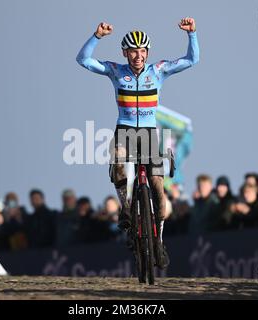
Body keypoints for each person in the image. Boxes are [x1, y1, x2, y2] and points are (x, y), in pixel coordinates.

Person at [76, 17, 199, 268]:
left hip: (150, 132)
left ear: (147, 53)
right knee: (120, 163)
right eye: (133, 51)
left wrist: (192, 35)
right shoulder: (115, 71)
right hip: (125, 129)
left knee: (157, 185)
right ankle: (127, 210)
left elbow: (192, 59)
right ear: (125, 53)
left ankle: (160, 241)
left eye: (142, 51)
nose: (138, 56)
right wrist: (96, 36)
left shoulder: (159, 70)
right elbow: (83, 60)